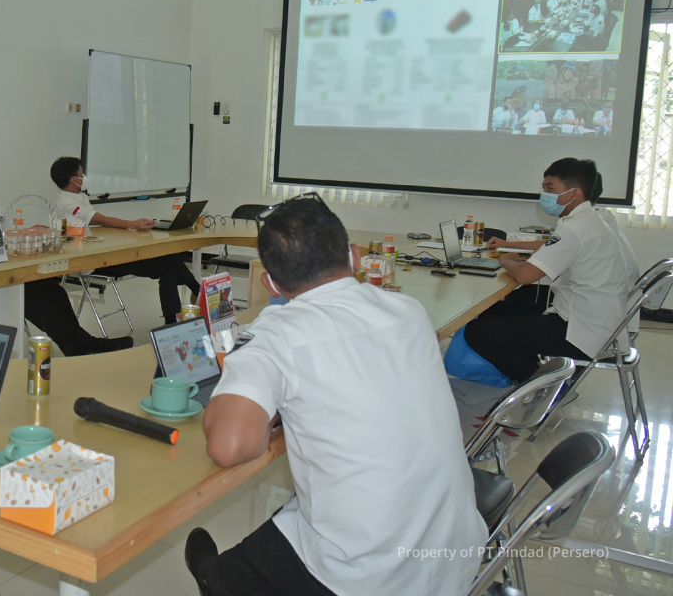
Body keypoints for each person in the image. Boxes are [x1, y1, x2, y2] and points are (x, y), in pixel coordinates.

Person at [184, 194, 483, 596]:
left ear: (270, 283)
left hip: (364, 575)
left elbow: (230, 446)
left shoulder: (277, 334)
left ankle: (212, 578)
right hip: (456, 551)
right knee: (284, 525)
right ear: (356, 256)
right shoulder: (409, 310)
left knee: (230, 575)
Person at [459, 158, 638, 383]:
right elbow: (553, 244)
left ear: (574, 193)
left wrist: (506, 260)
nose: (545, 195)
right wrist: (509, 245)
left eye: (551, 189)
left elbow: (525, 275)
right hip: (606, 317)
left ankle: (542, 385)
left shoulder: (574, 228)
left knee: (478, 332)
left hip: (582, 331)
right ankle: (539, 372)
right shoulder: (598, 218)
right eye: (544, 189)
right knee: (508, 303)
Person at [0, 147, 132, 356]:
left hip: (9, 267)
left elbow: (5, 234)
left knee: (54, 291)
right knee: (40, 299)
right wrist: (13, 235)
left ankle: (83, 345)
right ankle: (82, 347)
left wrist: (29, 231)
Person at [50, 157, 202, 324]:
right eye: (82, 174)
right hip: (92, 260)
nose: (84, 177)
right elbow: (98, 219)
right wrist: (131, 224)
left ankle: (174, 318)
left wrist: (132, 226)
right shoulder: (65, 202)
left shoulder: (79, 197)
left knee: (167, 261)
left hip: (102, 250)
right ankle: (196, 295)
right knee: (167, 262)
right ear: (74, 179)